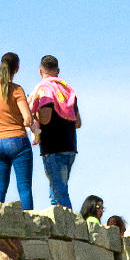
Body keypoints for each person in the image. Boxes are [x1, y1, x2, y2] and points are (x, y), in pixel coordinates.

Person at [29, 54, 81, 212]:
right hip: (70, 146)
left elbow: (45, 119)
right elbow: (78, 122)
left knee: (60, 192)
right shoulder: (67, 90)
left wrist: (33, 114)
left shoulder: (44, 89)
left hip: (53, 147)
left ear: (40, 71)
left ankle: (71, 229)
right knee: (57, 190)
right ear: (57, 71)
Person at [0, 51, 35, 210]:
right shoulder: (17, 90)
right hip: (17, 140)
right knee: (24, 187)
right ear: (17, 69)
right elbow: (28, 119)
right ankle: (29, 225)